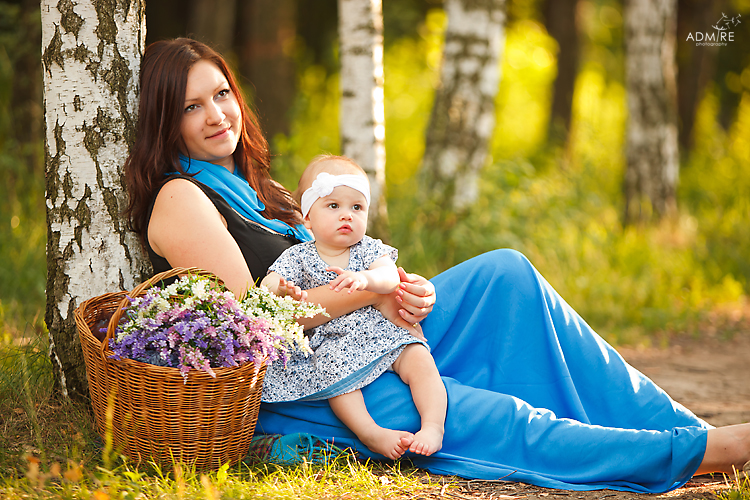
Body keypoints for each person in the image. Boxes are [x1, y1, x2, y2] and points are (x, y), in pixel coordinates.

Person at [123, 37, 750, 493]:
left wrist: (405, 290)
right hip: (313, 382)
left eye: (221, 94)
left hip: (364, 331)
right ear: (164, 122)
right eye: (191, 107)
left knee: (506, 274)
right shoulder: (181, 197)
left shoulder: (262, 191)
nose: (217, 115)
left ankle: (682, 428)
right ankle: (698, 454)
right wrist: (372, 293)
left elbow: (340, 260)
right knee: (489, 418)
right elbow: (256, 324)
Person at [259, 155, 447, 459]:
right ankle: (370, 433)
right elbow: (268, 285)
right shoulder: (298, 256)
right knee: (335, 379)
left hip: (380, 329)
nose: (346, 215)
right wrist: (279, 289)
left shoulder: (368, 248)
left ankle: (433, 426)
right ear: (307, 218)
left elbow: (389, 277)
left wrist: (366, 279)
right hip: (332, 340)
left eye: (357, 207)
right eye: (334, 206)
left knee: (420, 360)